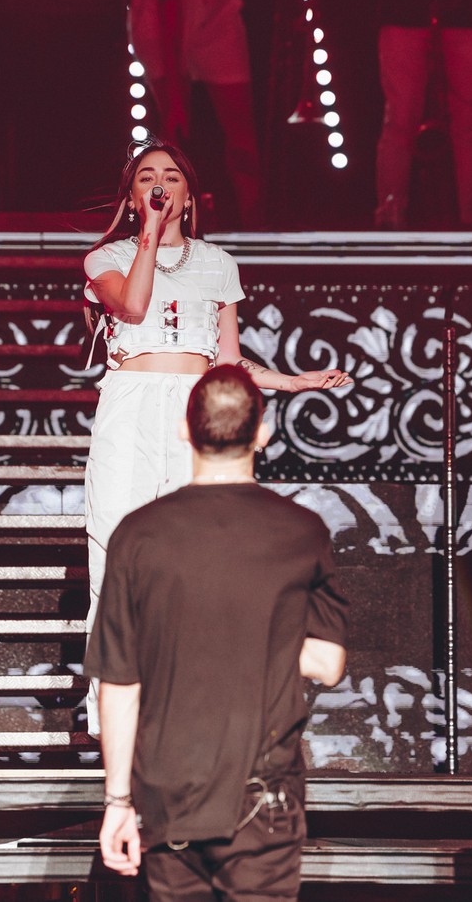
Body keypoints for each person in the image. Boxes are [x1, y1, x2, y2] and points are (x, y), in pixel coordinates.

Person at [82, 139, 351, 733]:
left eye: (171, 178)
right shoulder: (105, 258)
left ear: (188, 194)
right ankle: (113, 699)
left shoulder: (218, 263)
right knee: (115, 538)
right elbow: (132, 305)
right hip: (130, 403)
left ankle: (185, 686)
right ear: (132, 195)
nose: (160, 185)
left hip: (191, 406)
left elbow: (229, 361)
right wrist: (149, 234)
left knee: (191, 542)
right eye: (147, 178)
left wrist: (292, 381)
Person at [85, 364, 349, 900]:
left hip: (167, 789)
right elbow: (328, 664)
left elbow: (118, 683)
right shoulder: (302, 532)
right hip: (263, 791)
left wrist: (118, 803)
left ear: (185, 429)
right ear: (263, 433)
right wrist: (261, 634)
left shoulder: (138, 535)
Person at [128, 0, 263, 228]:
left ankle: (254, 221)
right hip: (158, 20)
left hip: (216, 16)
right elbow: (169, 8)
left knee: (241, 133)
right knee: (174, 130)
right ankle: (166, 223)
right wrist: (174, 93)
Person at [375, 0, 472, 229]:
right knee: (403, 120)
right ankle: (391, 213)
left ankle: (465, 217)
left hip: (467, 15)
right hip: (408, 14)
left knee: (465, 123)